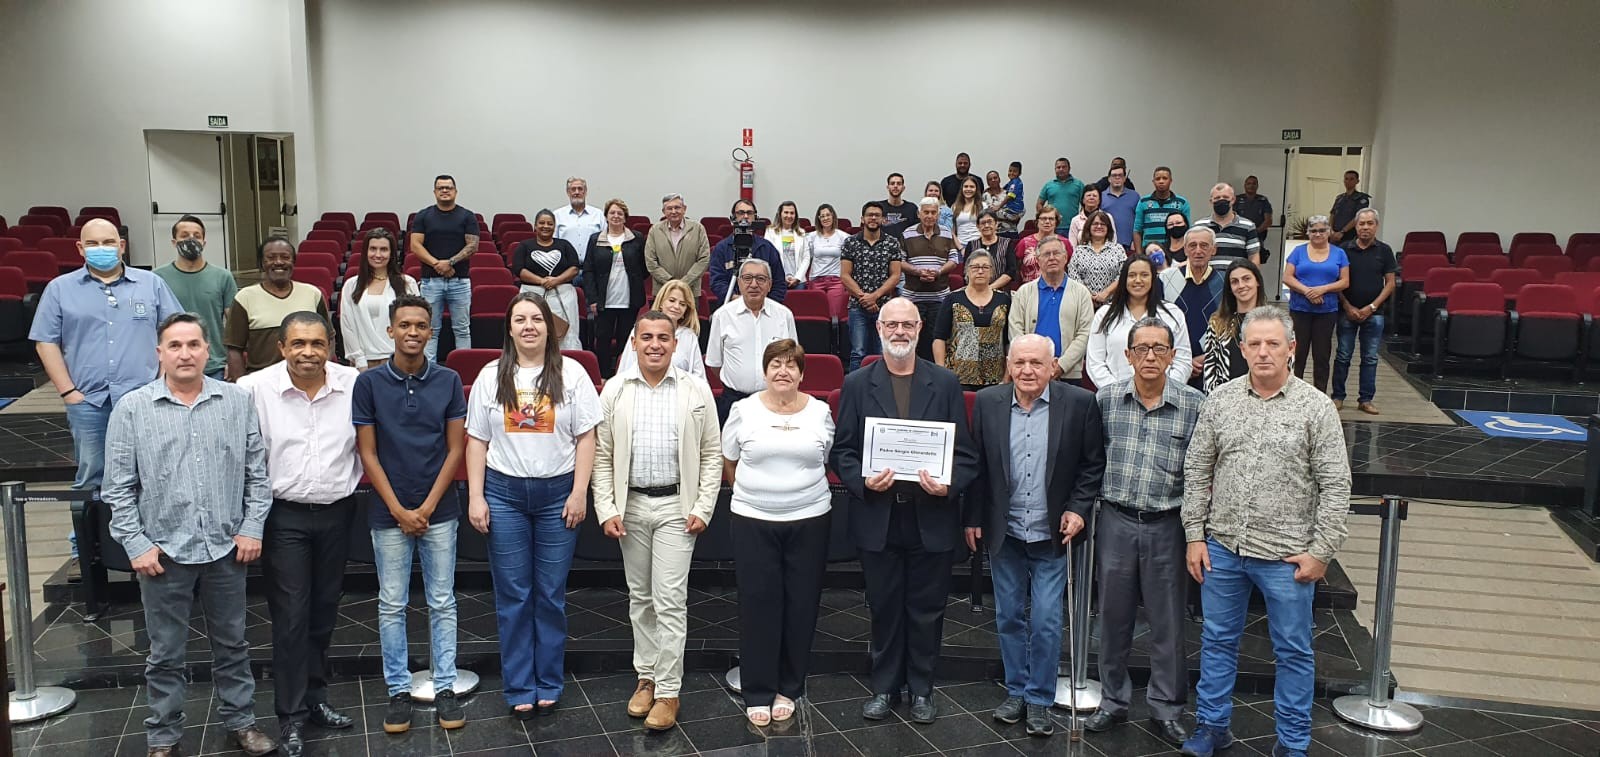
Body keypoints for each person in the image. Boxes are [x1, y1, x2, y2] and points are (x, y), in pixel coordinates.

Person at [103, 313, 277, 757]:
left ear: (207, 350)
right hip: (163, 554)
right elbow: (117, 487)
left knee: (233, 645)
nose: (185, 354)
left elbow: (257, 474)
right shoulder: (133, 408)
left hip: (225, 549)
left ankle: (242, 723)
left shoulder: (236, 401)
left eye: (194, 344)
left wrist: (251, 527)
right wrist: (136, 544)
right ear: (159, 353)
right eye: (175, 346)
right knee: (164, 653)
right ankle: (163, 736)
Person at [1180, 306, 1351, 757]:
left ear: (1291, 348)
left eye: (1272, 343)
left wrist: (1322, 551)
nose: (1263, 352)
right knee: (1217, 642)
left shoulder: (1316, 407)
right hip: (1224, 549)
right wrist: (1195, 535)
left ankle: (1292, 743)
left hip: (1287, 557)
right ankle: (1212, 726)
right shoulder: (1221, 401)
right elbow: (1197, 470)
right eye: (1254, 343)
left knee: (1293, 651)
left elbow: (1336, 485)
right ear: (1242, 349)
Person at [830, 298, 978, 725]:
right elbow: (843, 451)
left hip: (930, 516)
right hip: (879, 516)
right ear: (878, 328)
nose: (899, 331)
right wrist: (862, 481)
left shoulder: (945, 383)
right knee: (883, 607)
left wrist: (948, 484)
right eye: (891, 324)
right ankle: (884, 687)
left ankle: (922, 690)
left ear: (919, 329)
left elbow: (965, 456)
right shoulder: (857, 384)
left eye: (907, 324)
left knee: (927, 610)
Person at [465, 293, 601, 718]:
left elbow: (587, 437)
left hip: (558, 496)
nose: (529, 326)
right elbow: (477, 440)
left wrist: (579, 492)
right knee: (514, 595)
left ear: (549, 327)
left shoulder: (572, 373)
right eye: (520, 319)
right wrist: (475, 496)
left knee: (550, 594)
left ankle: (549, 681)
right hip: (504, 495)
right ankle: (520, 685)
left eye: (537, 319)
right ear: (509, 328)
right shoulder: (491, 376)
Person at [965, 334, 1105, 739]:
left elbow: (1092, 465)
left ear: (1052, 366)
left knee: (1045, 619)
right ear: (1009, 365)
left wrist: (1078, 509)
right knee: (1008, 616)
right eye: (1020, 363)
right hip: (1005, 531)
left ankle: (1040, 698)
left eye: (1037, 363)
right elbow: (978, 466)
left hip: (1052, 535)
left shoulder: (1079, 404)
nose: (1027, 371)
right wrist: (972, 518)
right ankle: (1016, 691)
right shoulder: (988, 402)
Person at [237, 312, 362, 755]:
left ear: (330, 346)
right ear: (281, 348)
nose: (308, 352)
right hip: (283, 516)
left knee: (324, 610)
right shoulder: (253, 389)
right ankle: (289, 715)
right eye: (298, 344)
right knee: (291, 615)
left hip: (337, 512)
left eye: (317, 343)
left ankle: (315, 698)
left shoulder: (353, 384)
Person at [592, 311, 722, 732]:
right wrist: (607, 507)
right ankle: (645, 678)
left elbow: (712, 453)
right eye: (646, 337)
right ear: (633, 343)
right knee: (640, 598)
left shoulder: (695, 389)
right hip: (630, 506)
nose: (654, 345)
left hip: (675, 508)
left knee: (669, 600)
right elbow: (602, 455)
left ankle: (668, 690)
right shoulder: (615, 389)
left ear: (675, 343)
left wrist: (703, 506)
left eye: (663, 338)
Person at [31, 218, 182, 571]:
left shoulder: (151, 284)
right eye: (93, 243)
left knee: (152, 473)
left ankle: (153, 542)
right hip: (90, 402)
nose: (102, 249)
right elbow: (45, 342)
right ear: (80, 249)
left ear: (122, 246)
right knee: (92, 475)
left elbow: (174, 334)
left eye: (109, 242)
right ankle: (84, 550)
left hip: (145, 400)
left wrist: (163, 382)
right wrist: (68, 392)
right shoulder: (60, 289)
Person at [352, 294, 469, 734]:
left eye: (421, 325)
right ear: (390, 331)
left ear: (431, 331)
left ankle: (445, 686)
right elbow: (368, 453)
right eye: (404, 325)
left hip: (439, 509)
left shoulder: (449, 380)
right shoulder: (368, 384)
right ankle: (398, 690)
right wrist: (400, 510)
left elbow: (455, 449)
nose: (413, 332)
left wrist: (426, 507)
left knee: (442, 601)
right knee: (391, 604)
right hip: (389, 512)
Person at [1085, 317, 1204, 748]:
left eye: (1159, 349)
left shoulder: (1194, 405)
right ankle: (1112, 701)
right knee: (1112, 617)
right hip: (1116, 521)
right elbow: (1092, 459)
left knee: (1167, 622)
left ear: (1173, 356)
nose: (1150, 356)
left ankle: (1166, 708)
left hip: (1167, 524)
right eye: (1141, 349)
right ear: (1128, 355)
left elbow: (1202, 472)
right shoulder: (1106, 400)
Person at [723, 339, 835, 726]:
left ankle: (789, 686)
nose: (783, 371)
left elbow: (823, 459)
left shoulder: (820, 412)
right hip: (753, 520)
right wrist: (756, 495)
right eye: (775, 364)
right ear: (765, 371)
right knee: (758, 604)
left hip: (810, 519)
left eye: (791, 365)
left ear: (802, 373)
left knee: (801, 604)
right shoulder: (743, 410)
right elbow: (729, 460)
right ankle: (758, 689)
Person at [706, 258, 797, 421]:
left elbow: (792, 360)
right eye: (747, 278)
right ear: (739, 283)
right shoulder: (722, 316)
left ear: (769, 285)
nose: (754, 284)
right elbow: (715, 363)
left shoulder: (784, 315)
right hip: (733, 400)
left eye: (761, 279)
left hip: (775, 401)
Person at [226, 237, 330, 378]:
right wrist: (241, 386)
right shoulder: (244, 298)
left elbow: (329, 339)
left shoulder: (312, 294)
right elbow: (234, 349)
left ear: (293, 262)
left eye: (285, 257)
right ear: (262, 263)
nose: (279, 262)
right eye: (271, 257)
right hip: (262, 381)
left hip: (308, 379)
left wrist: (324, 373)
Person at [1087, 255, 1192, 388]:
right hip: (1115, 394)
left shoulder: (1172, 314)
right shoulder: (1105, 315)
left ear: (1153, 278)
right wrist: (1117, 392)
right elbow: (1095, 363)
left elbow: (1182, 361)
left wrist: (1164, 390)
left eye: (1144, 275)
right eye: (1132, 275)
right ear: (1123, 279)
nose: (1138, 280)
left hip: (1165, 394)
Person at [154, 215, 236, 379]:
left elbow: (234, 325)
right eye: (184, 236)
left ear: (204, 242)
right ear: (174, 242)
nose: (191, 240)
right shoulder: (157, 278)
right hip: (173, 364)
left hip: (214, 365)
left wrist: (232, 360)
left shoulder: (223, 277)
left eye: (197, 236)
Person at [408, 174, 480, 359]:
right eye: (441, 188)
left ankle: (464, 368)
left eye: (449, 187)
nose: (445, 190)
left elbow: (473, 246)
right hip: (430, 281)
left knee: (462, 329)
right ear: (435, 192)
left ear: (455, 191)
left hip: (460, 282)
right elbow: (415, 245)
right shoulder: (423, 216)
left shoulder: (467, 216)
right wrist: (437, 264)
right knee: (430, 329)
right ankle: (428, 370)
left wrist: (450, 263)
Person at [1333, 209, 1396, 414]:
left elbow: (1390, 283)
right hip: (1347, 311)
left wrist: (1372, 307)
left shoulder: (1384, 251)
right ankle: (1338, 396)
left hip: (1374, 314)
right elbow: (1336, 281)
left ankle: (1366, 399)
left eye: (1370, 223)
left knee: (1370, 358)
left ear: (1376, 226)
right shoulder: (1344, 249)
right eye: (1362, 224)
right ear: (1356, 226)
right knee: (1343, 355)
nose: (1365, 227)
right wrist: (1347, 306)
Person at [1007, 239, 1095, 381]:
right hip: (1030, 374)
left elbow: (1085, 333)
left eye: (1056, 253)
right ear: (1038, 260)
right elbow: (1015, 331)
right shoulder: (1024, 292)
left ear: (1065, 258)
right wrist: (1033, 364)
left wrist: (1061, 365)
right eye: (1046, 254)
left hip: (1068, 374)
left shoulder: (1081, 293)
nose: (1052, 258)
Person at [1283, 216, 1350, 393]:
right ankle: (1293, 393)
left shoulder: (1339, 253)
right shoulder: (1298, 251)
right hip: (1300, 310)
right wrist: (1307, 291)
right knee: (1298, 353)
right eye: (1313, 231)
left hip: (1326, 311)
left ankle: (1320, 394)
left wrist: (1323, 289)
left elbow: (1345, 281)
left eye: (1322, 230)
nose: (1318, 234)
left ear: (1329, 232)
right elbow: (1287, 277)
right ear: (1308, 233)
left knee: (1322, 356)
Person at [583, 199, 649, 377]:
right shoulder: (596, 239)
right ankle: (604, 376)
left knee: (626, 339)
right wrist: (592, 299)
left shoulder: (636, 238)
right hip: (604, 300)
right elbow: (588, 270)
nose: (616, 216)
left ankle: (624, 375)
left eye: (620, 213)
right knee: (602, 340)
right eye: (612, 212)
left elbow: (644, 268)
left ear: (625, 217)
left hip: (629, 300)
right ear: (606, 216)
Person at [341, 228, 421, 369]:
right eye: (373, 249)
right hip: (364, 361)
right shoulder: (351, 285)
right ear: (365, 252)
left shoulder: (407, 283)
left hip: (399, 360)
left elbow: (416, 322)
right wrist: (359, 360)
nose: (378, 255)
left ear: (391, 253)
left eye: (383, 249)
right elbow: (348, 325)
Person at [841, 201, 905, 371]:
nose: (873, 218)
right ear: (862, 219)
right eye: (870, 215)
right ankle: (856, 386)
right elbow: (845, 275)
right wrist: (864, 298)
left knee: (882, 352)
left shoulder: (892, 243)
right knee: (858, 352)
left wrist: (874, 296)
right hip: (857, 306)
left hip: (883, 308)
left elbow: (895, 275)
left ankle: (882, 385)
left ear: (883, 219)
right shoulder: (850, 242)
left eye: (877, 215)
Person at [933, 250, 1011, 389]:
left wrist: (1007, 375)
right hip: (958, 376)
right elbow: (939, 338)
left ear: (992, 272)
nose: (980, 271)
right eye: (975, 267)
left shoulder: (1003, 299)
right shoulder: (952, 299)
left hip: (995, 378)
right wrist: (941, 372)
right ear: (967, 271)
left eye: (985, 267)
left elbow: (1008, 340)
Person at [1160, 227, 1227, 386]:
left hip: (1214, 367)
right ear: (1185, 249)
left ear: (1214, 249)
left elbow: (1231, 325)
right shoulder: (1165, 279)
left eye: (1204, 245)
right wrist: (1182, 362)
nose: (1198, 251)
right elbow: (1157, 324)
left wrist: (1208, 357)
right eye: (1192, 245)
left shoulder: (1226, 282)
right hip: (1173, 367)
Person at [511, 209, 583, 351]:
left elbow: (574, 268)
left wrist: (556, 280)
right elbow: (519, 270)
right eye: (542, 223)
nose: (546, 226)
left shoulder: (564, 245)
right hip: (532, 294)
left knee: (566, 333)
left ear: (554, 226)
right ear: (535, 226)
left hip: (563, 294)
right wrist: (542, 281)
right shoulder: (524, 246)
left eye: (550, 223)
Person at [900, 197, 962, 359]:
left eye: (933, 212)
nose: (929, 216)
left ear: (938, 215)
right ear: (919, 214)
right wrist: (917, 272)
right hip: (913, 298)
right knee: (912, 340)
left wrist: (939, 272)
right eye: (926, 212)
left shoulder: (947, 233)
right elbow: (899, 261)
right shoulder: (907, 233)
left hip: (939, 298)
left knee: (936, 339)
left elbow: (954, 260)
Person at [616, 279, 706, 378]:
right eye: (672, 300)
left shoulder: (689, 336)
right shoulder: (639, 330)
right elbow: (625, 369)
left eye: (682, 304)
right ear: (661, 303)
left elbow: (699, 376)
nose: (676, 306)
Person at [709, 199, 789, 308]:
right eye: (741, 213)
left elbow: (779, 283)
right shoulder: (721, 248)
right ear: (732, 218)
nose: (745, 216)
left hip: (764, 308)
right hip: (730, 306)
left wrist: (763, 303)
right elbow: (717, 282)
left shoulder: (767, 248)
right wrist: (736, 299)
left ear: (755, 217)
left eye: (750, 213)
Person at [1200, 260, 1265, 392]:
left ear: (1257, 281)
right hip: (1227, 397)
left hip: (1265, 397)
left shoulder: (1275, 321)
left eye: (1246, 279)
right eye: (1234, 282)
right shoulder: (1217, 322)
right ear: (1230, 288)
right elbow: (1210, 370)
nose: (1241, 285)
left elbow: (1286, 366)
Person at [644, 193, 711, 297]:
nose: (673, 211)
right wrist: (670, 282)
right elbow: (650, 261)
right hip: (662, 291)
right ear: (663, 211)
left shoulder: (698, 229)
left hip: (690, 290)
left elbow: (704, 259)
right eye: (669, 208)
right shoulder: (655, 230)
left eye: (677, 207)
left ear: (684, 209)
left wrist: (684, 282)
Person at [1192, 183, 1261, 265]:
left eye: (1225, 197)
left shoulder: (1248, 226)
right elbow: (1191, 255)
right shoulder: (1199, 227)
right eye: (1217, 198)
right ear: (1211, 201)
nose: (1221, 200)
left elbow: (1254, 257)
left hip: (1236, 273)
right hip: (1207, 273)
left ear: (1233, 200)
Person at [1070, 210, 1127, 306]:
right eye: (1095, 224)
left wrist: (1106, 293)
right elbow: (1073, 274)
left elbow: (1124, 273)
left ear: (1108, 228)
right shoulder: (1079, 250)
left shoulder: (1118, 249)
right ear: (1089, 227)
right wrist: (1088, 296)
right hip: (1084, 303)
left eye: (1103, 224)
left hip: (1112, 304)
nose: (1099, 226)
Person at [803, 203, 850, 321]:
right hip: (816, 280)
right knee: (817, 316)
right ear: (819, 219)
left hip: (836, 281)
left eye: (828, 215)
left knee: (834, 317)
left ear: (833, 216)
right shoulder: (811, 237)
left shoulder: (843, 237)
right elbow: (805, 257)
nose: (825, 218)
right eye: (822, 216)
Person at [554, 176, 606, 275]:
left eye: (580, 189)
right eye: (573, 189)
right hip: (565, 271)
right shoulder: (557, 215)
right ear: (568, 192)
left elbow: (606, 242)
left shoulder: (598, 214)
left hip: (593, 270)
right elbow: (553, 243)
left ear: (585, 192)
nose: (577, 192)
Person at [1133, 166, 1191, 253]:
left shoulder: (1181, 203)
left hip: (1175, 251)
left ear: (1170, 181)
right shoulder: (1143, 202)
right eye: (1158, 179)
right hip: (1149, 251)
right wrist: (1139, 255)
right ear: (1153, 181)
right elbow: (1137, 230)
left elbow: (1188, 230)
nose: (1161, 181)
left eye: (1165, 178)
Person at [1013, 205, 1071, 284]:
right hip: (1029, 287)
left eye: (1051, 219)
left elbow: (1069, 267)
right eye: (1043, 218)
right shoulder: (1024, 243)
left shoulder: (1064, 243)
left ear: (1056, 222)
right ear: (1037, 221)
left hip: (1057, 286)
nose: (1047, 222)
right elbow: (1015, 267)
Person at [965, 210, 1018, 290]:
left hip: (1001, 290)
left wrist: (990, 288)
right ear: (978, 226)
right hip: (975, 290)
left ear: (996, 224)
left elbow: (1011, 271)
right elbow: (967, 271)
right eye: (983, 223)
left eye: (990, 222)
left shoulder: (1007, 243)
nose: (986, 226)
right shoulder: (971, 245)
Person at [766, 200, 809, 290]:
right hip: (778, 279)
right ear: (780, 214)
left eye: (792, 213)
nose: (789, 216)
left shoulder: (801, 233)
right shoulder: (770, 232)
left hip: (798, 281)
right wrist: (782, 277)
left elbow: (806, 258)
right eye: (786, 212)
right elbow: (768, 256)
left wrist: (797, 278)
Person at [1101, 164, 1139, 249]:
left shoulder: (1135, 196)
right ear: (1109, 179)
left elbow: (1139, 221)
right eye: (1114, 175)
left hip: (1129, 245)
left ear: (1125, 178)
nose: (1117, 178)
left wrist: (1136, 241)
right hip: (1107, 245)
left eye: (1120, 175)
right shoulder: (1101, 197)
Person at [1328, 169, 1371, 245]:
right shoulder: (1339, 198)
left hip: (1350, 236)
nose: (1348, 181)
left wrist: (1342, 231)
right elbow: (1332, 214)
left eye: (1351, 179)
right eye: (1346, 179)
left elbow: (1358, 217)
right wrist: (1331, 230)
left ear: (1357, 181)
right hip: (1334, 236)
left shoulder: (1361, 198)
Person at [1037, 157, 1085, 222]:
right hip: (1053, 225)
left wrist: (1081, 219)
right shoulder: (1048, 185)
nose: (1061, 169)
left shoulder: (1079, 184)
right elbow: (1039, 203)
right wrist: (1044, 218)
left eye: (1064, 167)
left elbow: (1085, 204)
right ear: (1055, 169)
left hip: (1073, 225)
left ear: (1069, 168)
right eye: (1058, 167)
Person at [1234, 175, 1273, 246]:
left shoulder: (1263, 200)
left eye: (1254, 184)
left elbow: (1268, 221)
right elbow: (1231, 218)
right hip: (1239, 236)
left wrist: (1255, 232)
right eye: (1249, 183)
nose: (1251, 186)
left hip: (1257, 236)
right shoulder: (1237, 199)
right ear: (1245, 185)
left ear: (1257, 186)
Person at [950, 175, 984, 245]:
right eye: (966, 186)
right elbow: (952, 231)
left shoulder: (983, 206)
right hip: (960, 244)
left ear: (976, 189)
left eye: (972, 187)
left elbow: (986, 228)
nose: (968, 189)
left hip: (978, 244)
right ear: (962, 189)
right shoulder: (954, 207)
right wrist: (960, 248)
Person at [997, 161, 1025, 233]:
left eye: (1014, 171)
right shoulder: (1011, 182)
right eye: (1010, 171)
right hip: (1012, 208)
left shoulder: (1015, 182)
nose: (1011, 173)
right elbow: (1003, 189)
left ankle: (1011, 218)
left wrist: (999, 206)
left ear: (1019, 173)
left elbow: (1010, 196)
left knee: (993, 213)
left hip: (1014, 209)